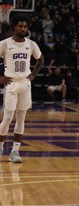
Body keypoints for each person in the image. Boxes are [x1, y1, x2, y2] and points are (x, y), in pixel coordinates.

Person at [0, 14, 44, 163]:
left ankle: (15, 151)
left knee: (21, 118)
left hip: (25, 84)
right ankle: (0, 147)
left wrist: (32, 75)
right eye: (20, 26)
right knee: (7, 118)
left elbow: (41, 59)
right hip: (11, 84)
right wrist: (0, 78)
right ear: (14, 27)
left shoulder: (31, 44)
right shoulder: (5, 44)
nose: (23, 28)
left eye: (25, 26)